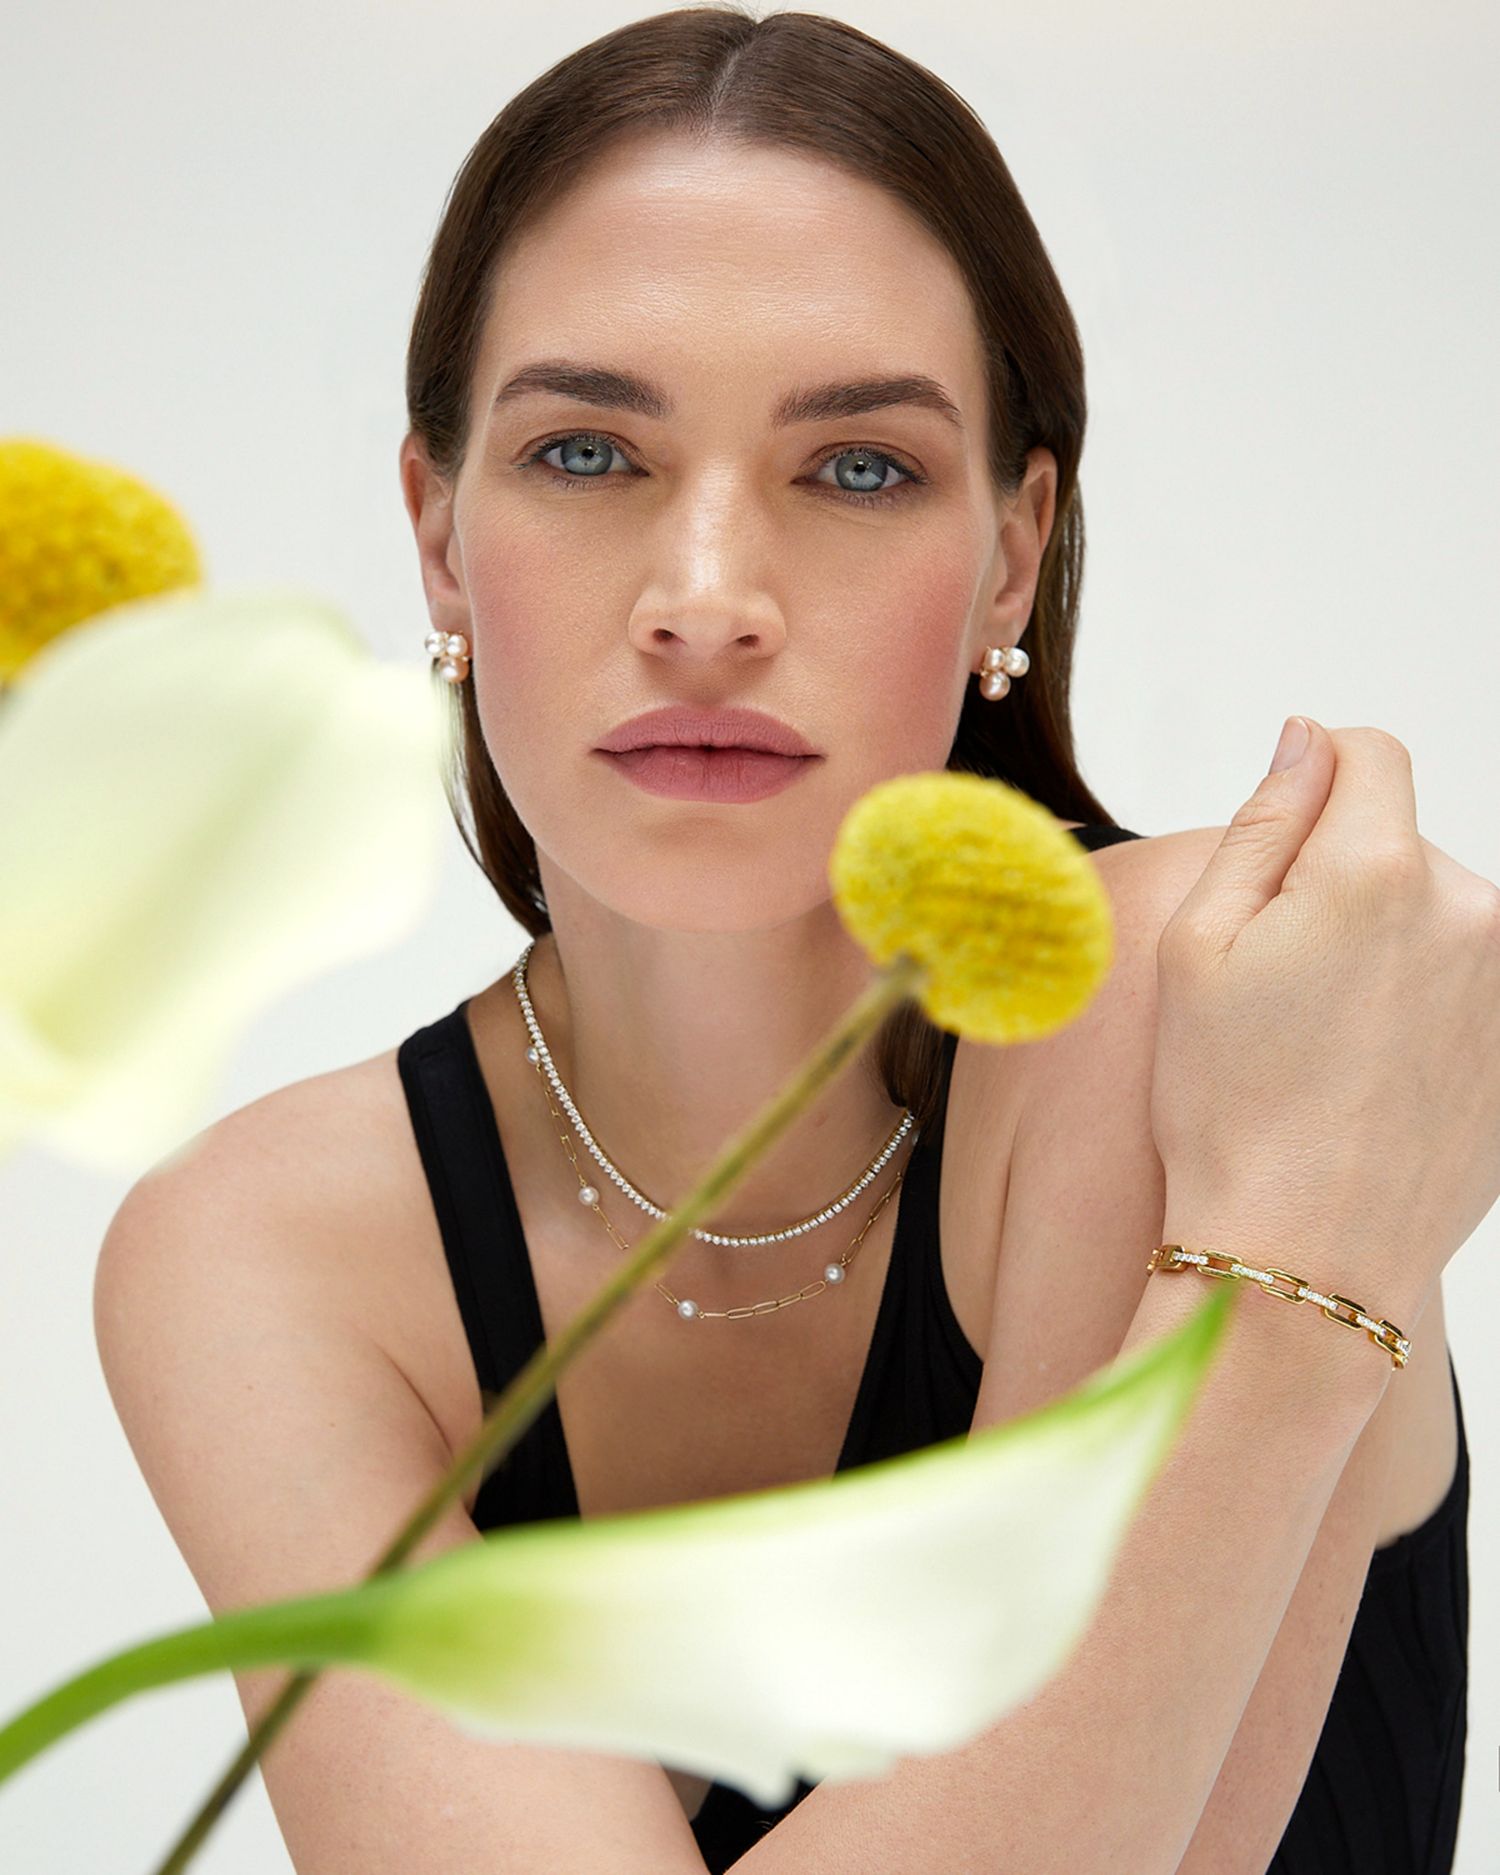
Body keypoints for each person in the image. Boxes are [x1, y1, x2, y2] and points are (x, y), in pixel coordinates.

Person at [95, 9, 1498, 1873]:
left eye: (857, 469)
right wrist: (1302, 1274)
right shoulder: (263, 1251)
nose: (707, 604)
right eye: (587, 452)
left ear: (1012, 555)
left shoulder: (1172, 1005)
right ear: (437, 534)